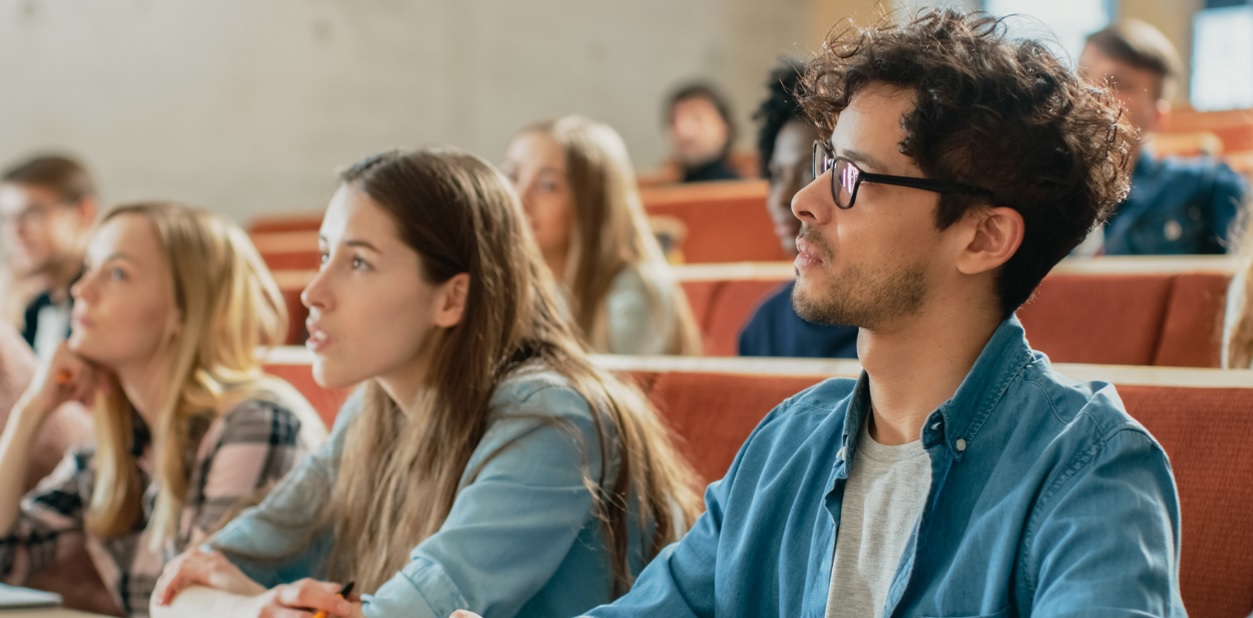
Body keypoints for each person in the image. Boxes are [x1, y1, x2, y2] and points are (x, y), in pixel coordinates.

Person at [467, 10, 1184, 616]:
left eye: (850, 177)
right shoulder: (789, 442)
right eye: (822, 161)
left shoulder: (1091, 472)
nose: (802, 202)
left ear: (982, 236)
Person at [151, 148, 702, 617]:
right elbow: (187, 581)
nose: (313, 293)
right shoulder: (375, 409)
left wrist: (253, 604)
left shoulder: (553, 419)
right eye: (324, 255)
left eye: (359, 263)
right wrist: (257, 605)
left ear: (452, 297)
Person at [0, 202, 324, 617]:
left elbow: (195, 599)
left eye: (117, 273)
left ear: (183, 312)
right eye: (90, 268)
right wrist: (30, 412)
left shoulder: (257, 425)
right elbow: (7, 559)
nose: (83, 290)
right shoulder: (118, 445)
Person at [502, 116, 702, 355]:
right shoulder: (517, 286)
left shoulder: (637, 294)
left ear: (592, 204)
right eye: (512, 176)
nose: (518, 198)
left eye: (547, 185)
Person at [1078, 19, 1248, 255]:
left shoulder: (1209, 186)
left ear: (1157, 117)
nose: (1088, 94)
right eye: (1081, 77)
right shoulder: (1043, 192)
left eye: (1116, 83)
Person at [738, 58, 859, 359]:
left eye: (810, 171)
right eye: (777, 175)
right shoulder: (764, 325)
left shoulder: (890, 328)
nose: (784, 198)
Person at [0, 155, 99, 359]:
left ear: (84, 213)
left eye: (32, 213)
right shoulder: (34, 307)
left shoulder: (106, 309)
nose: (15, 232)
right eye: (6, 218)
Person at [665, 83, 741, 183]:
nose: (683, 131)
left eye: (698, 118)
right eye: (674, 121)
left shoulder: (742, 191)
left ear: (724, 129)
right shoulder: (665, 192)